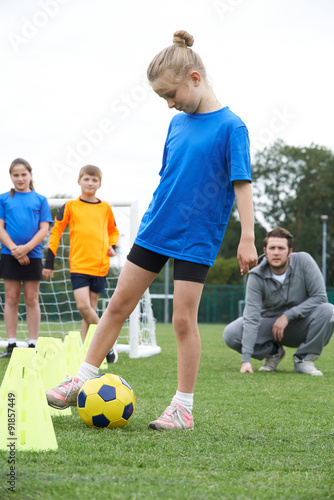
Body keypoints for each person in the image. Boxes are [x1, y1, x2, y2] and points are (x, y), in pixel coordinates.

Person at [46, 30, 258, 430]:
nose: (169, 104)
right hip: (156, 228)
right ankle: (82, 379)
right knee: (117, 306)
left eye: (171, 94)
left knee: (182, 319)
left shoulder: (232, 127)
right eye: (163, 98)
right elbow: (167, 177)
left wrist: (247, 236)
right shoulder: (177, 125)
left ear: (194, 78)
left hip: (197, 235)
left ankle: (182, 408)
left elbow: (241, 183)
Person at [223, 227, 334, 376]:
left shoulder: (304, 261)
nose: (276, 252)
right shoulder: (256, 276)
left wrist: (288, 315)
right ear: (265, 250)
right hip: (269, 327)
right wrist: (246, 360)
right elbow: (252, 317)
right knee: (231, 333)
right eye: (272, 248)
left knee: (329, 310)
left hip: (300, 325)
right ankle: (273, 352)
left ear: (289, 252)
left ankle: (304, 359)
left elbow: (320, 297)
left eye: (281, 248)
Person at [42, 165, 119, 362]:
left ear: (99, 184)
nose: (90, 183)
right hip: (78, 266)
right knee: (84, 306)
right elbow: (56, 231)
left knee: (90, 309)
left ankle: (87, 352)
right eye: (86, 179)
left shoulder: (105, 208)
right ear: (79, 181)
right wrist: (49, 261)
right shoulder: (70, 206)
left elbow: (113, 231)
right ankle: (108, 343)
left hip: (100, 265)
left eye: (94, 180)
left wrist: (113, 245)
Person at [0, 158, 53, 358]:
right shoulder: (4, 199)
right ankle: (11, 344)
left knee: (31, 298)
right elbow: (0, 227)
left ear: (30, 175)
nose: (20, 178)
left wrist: (26, 249)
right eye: (16, 175)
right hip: (9, 254)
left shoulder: (40, 200)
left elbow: (44, 229)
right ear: (11, 177)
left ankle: (33, 344)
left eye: (23, 174)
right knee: (11, 297)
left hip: (33, 255)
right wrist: (14, 249)